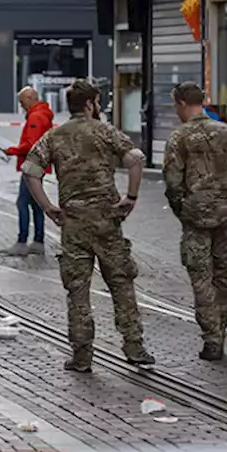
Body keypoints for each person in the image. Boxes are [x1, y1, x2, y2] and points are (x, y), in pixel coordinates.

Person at [23, 79, 155, 372]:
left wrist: (48, 207)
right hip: (107, 220)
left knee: (78, 290)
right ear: (89, 103)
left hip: (73, 224)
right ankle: (134, 348)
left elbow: (31, 172)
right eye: (97, 101)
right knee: (121, 284)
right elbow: (135, 159)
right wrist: (130, 197)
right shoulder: (104, 131)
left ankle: (82, 356)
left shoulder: (54, 136)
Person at [163, 82, 227, 361]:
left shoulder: (180, 137)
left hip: (196, 218)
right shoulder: (226, 131)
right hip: (225, 216)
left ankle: (211, 338)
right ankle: (221, 331)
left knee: (201, 278)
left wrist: (184, 208)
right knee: (221, 275)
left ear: (181, 103)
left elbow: (173, 182)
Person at [0, 86, 53, 257]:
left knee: (22, 202)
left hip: (33, 165)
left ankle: (22, 242)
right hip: (41, 164)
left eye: (22, 102)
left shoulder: (36, 117)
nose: (22, 106)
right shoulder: (43, 114)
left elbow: (31, 144)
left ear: (30, 98)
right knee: (36, 204)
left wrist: (12, 150)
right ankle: (38, 241)